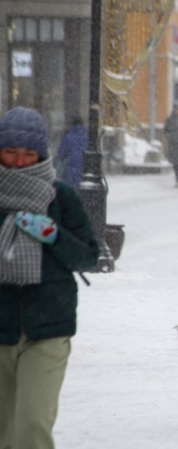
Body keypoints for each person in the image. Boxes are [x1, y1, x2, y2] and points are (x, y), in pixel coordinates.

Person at [0, 107, 100, 449]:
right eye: (10, 152)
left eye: (28, 154)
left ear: (41, 154)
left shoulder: (61, 197)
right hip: (1, 328)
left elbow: (88, 256)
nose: (19, 162)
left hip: (48, 328)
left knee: (31, 427)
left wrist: (53, 234)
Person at [56, 116, 88, 187]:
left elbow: (61, 153)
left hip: (70, 166)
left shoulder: (68, 137)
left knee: (71, 186)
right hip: (84, 166)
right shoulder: (87, 137)